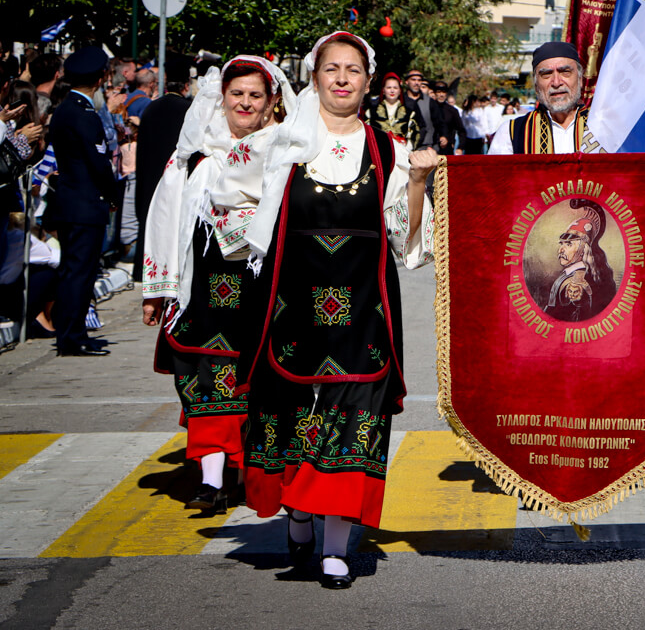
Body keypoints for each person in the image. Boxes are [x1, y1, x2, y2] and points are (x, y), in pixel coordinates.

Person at [238, 31, 437, 589]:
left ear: (368, 82)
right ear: (315, 77)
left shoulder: (388, 149)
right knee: (296, 416)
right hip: (292, 310)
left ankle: (334, 547)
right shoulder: (280, 144)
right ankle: (299, 512)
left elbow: (406, 239)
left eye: (353, 69)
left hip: (365, 311)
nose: (342, 78)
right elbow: (238, 217)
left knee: (354, 420)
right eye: (332, 69)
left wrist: (419, 181)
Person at [142, 55, 291, 513]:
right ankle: (211, 479)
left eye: (254, 95)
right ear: (221, 99)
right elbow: (165, 217)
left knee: (259, 384)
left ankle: (254, 474)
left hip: (261, 287)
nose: (245, 103)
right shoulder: (196, 157)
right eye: (236, 94)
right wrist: (158, 288)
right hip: (203, 287)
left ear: (271, 104)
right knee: (203, 378)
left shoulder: (286, 154)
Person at [46, 47, 119, 357]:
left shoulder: (65, 108)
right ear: (101, 78)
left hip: (72, 202)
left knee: (73, 271)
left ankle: (70, 332)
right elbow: (98, 162)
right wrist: (113, 194)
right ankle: (73, 335)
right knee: (81, 272)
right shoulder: (83, 112)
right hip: (85, 204)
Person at [134, 54, 195, 283]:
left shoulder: (151, 110)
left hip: (151, 182)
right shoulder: (189, 110)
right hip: (178, 184)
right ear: (187, 85)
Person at [488, 42, 602, 155]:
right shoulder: (511, 133)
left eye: (565, 72)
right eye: (547, 74)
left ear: (580, 80)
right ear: (536, 86)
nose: (556, 83)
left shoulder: (603, 128)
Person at [543, 199, 618, 321]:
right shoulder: (572, 275)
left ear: (583, 250)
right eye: (561, 244)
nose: (561, 250)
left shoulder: (577, 282)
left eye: (569, 244)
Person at [364, 71, 419, 146]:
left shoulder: (409, 113)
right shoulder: (371, 112)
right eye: (389, 87)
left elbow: (414, 136)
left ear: (400, 91)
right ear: (383, 90)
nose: (392, 91)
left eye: (395, 88)